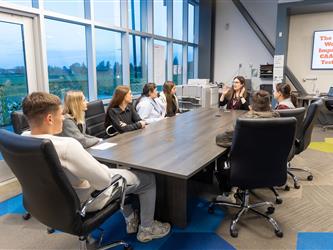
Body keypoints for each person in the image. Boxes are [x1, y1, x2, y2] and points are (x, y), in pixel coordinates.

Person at [21, 92, 170, 243]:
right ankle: (147, 228)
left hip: (49, 201)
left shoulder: (23, 140)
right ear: (50, 119)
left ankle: (131, 217)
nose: (63, 118)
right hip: (87, 200)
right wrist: (103, 168)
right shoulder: (67, 146)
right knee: (147, 179)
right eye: (61, 114)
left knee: (121, 173)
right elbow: (104, 182)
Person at [215, 90, 280, 202]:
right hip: (271, 164)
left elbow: (221, 139)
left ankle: (228, 192)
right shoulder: (278, 118)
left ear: (252, 105)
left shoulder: (245, 121)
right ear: (269, 104)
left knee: (222, 156)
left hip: (244, 166)